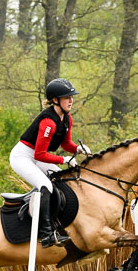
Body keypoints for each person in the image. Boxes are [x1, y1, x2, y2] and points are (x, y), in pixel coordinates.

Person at [10, 78, 91, 248]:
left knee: (61, 179)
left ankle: (57, 225)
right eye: (67, 97)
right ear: (55, 100)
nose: (71, 100)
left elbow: (65, 144)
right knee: (45, 185)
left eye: (72, 97)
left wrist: (78, 149)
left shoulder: (66, 118)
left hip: (37, 156)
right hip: (22, 157)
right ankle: (46, 234)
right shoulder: (48, 122)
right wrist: (64, 159)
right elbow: (40, 154)